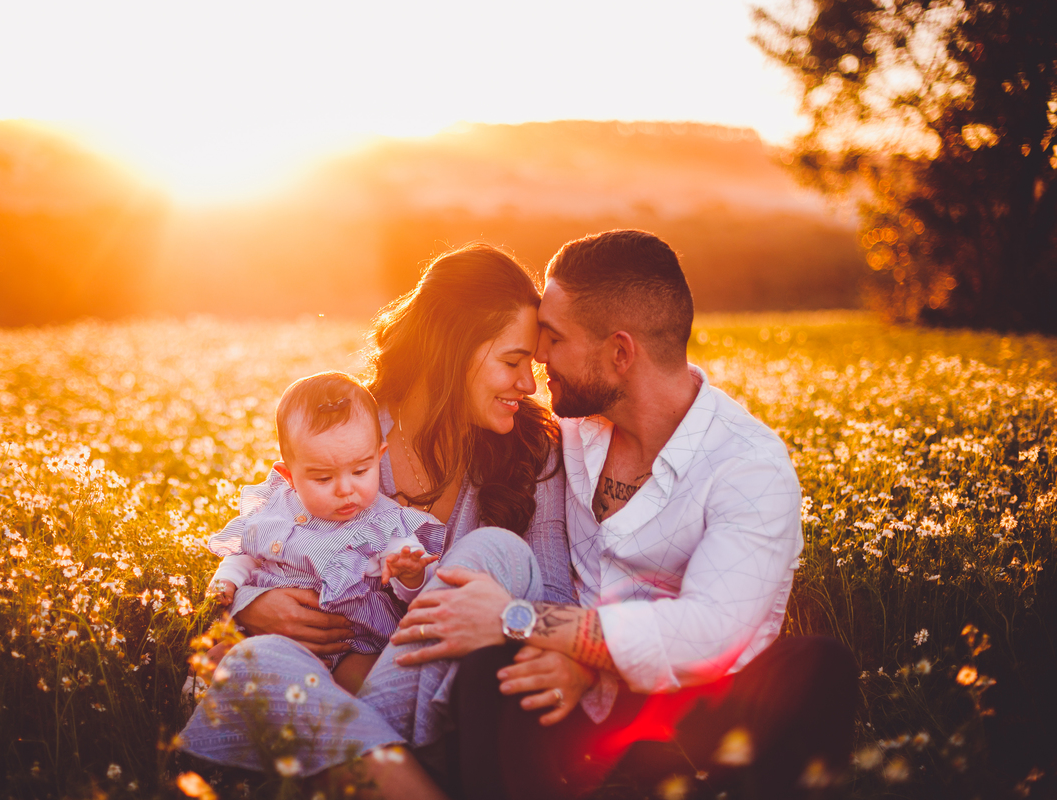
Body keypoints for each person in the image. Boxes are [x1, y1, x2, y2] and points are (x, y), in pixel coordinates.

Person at [392, 229, 859, 799]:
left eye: (554, 339)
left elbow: (709, 637)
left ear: (619, 353)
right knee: (492, 677)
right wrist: (264, 568)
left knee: (815, 667)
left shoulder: (748, 466)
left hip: (702, 711)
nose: (539, 358)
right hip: (574, 703)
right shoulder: (559, 435)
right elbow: (399, 451)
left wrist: (530, 625)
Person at [176, 244, 575, 798]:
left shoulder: (535, 451)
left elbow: (556, 595)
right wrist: (250, 604)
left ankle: (355, 769)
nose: (528, 385)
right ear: (452, 350)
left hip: (434, 694)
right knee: (259, 658)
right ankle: (387, 772)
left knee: (495, 551)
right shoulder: (350, 430)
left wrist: (495, 612)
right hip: (334, 678)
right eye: (513, 363)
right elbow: (267, 530)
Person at [200, 372, 442, 694]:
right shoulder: (273, 507)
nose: (345, 489)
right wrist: (226, 582)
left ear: (378, 457)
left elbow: (418, 592)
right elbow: (246, 555)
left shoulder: (386, 524)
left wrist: (411, 575)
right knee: (222, 669)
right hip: (270, 633)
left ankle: (353, 729)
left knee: (363, 686)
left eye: (360, 471)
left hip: (350, 642)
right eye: (323, 479)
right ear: (289, 476)